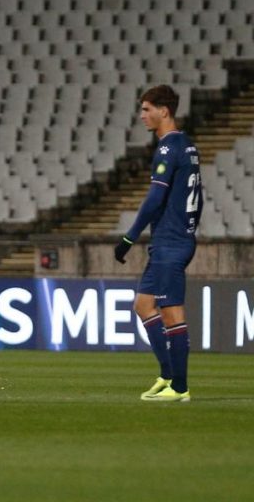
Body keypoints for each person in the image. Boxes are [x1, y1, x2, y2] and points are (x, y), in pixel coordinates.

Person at [114, 84, 202, 402]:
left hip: (171, 242)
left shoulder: (168, 147)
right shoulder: (187, 145)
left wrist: (128, 237)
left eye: (147, 109)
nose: (142, 115)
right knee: (144, 305)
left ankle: (180, 387)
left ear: (164, 111)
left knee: (172, 313)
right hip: (172, 239)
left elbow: (155, 198)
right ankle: (167, 375)